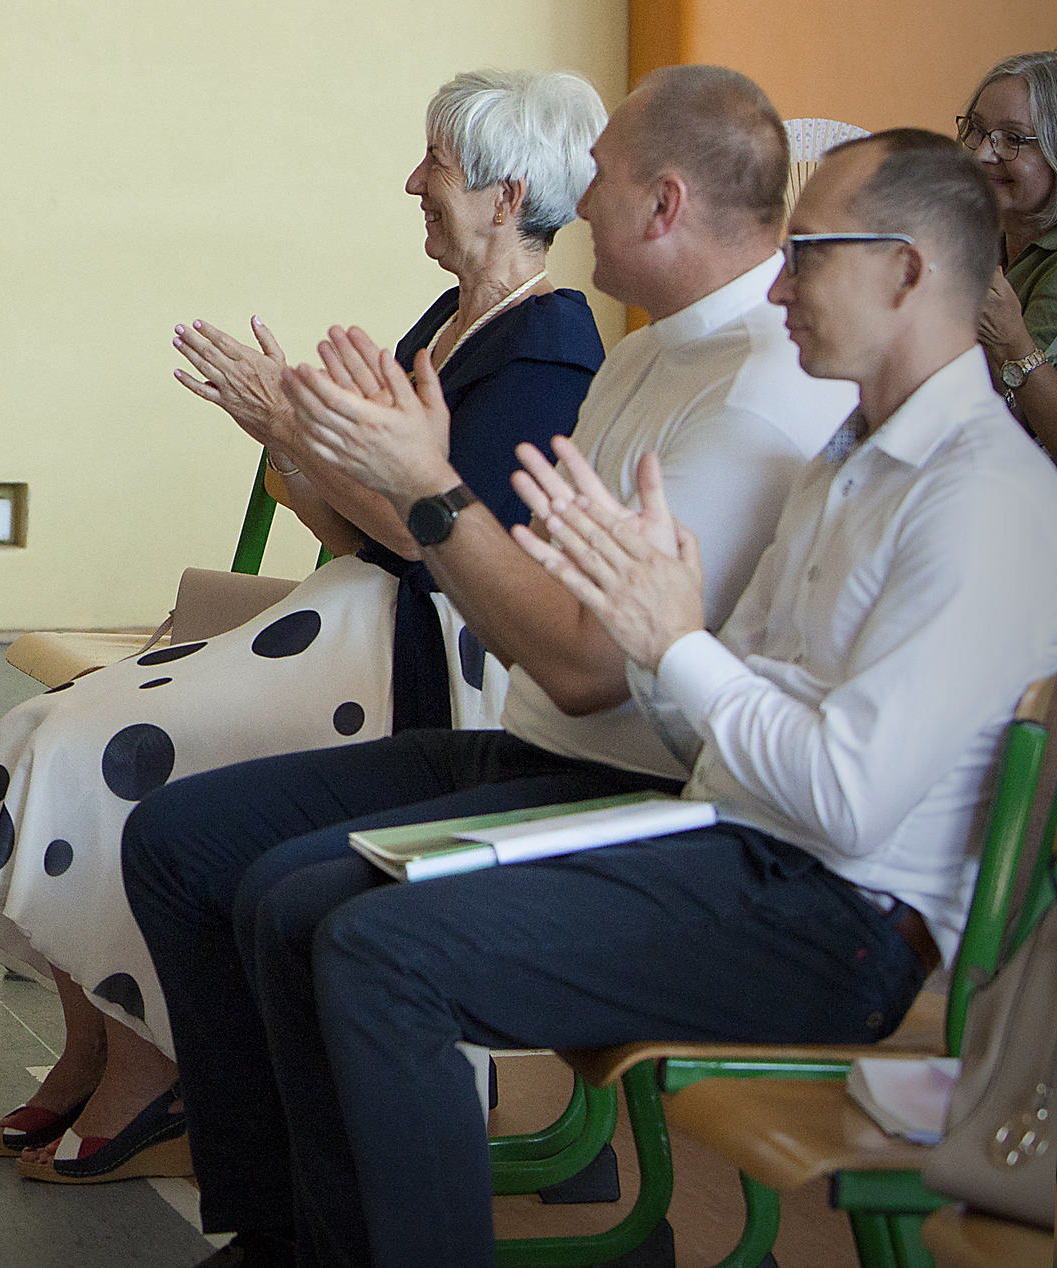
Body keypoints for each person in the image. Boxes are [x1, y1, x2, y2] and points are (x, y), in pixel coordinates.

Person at [229, 130, 1057, 1268]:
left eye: (807, 250)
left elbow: (847, 802)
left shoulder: (985, 497)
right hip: (732, 841)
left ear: (907, 269)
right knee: (297, 907)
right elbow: (723, 719)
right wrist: (643, 632)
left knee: (380, 954)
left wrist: (673, 644)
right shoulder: (850, 456)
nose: (777, 281)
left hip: (838, 921)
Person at [119, 65, 859, 1259]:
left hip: (633, 785)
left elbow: (579, 665)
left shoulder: (751, 398)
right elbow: (508, 589)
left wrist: (419, 487)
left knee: (307, 906)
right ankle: (281, 1229)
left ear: (659, 203)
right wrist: (380, 476)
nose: (573, 194)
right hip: (542, 743)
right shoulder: (641, 355)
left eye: (599, 176)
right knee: (182, 840)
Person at [0, 70, 608, 1185]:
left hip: (410, 654)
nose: (410, 183)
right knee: (32, 726)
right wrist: (283, 439)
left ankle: (152, 1076)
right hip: (347, 613)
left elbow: (442, 542)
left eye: (431, 161)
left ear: (501, 191)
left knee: (92, 751)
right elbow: (354, 520)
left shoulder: (546, 347)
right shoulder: (450, 319)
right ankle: (95, 1048)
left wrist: (307, 428)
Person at [958, 50, 1057, 457]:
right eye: (977, 131)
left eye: (1013, 139)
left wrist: (1011, 341)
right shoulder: (977, 236)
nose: (983, 153)